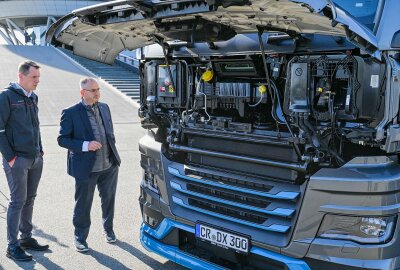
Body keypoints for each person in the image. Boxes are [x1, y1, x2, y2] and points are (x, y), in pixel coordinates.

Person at [58, 77, 121, 252]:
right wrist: (85, 145)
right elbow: (62, 139)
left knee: (109, 201)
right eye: (92, 91)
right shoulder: (71, 112)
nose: (97, 93)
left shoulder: (104, 107)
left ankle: (108, 230)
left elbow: (109, 132)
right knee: (83, 205)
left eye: (98, 89)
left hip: (109, 165)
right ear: (82, 93)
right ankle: (80, 238)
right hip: (86, 169)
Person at [0, 60, 49, 261]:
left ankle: (26, 238)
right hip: (17, 160)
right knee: (17, 201)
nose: (37, 81)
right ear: (21, 76)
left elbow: (35, 126)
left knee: (30, 199)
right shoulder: (6, 96)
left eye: (38, 77)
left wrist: (41, 149)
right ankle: (12, 247)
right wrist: (10, 158)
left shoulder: (33, 97)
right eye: (34, 77)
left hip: (35, 157)